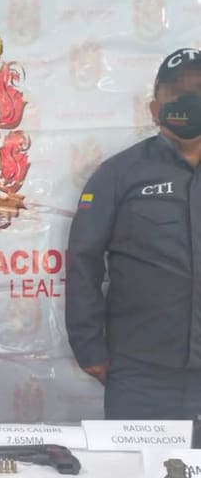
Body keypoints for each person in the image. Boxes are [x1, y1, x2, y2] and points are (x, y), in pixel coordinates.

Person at [66, 48, 201, 419]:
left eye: (199, 91)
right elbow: (83, 260)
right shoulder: (117, 175)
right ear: (155, 108)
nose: (189, 101)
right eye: (177, 93)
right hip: (141, 374)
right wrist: (89, 346)